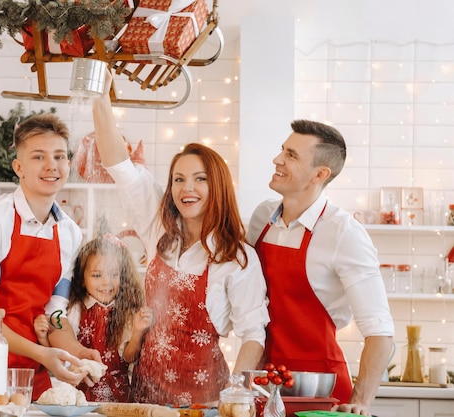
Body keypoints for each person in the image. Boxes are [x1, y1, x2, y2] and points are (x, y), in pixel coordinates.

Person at [91, 73, 270, 405]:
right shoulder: (158, 230)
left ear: (217, 187)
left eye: (200, 179)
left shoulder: (236, 257)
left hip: (206, 401)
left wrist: (237, 394)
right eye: (179, 179)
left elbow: (251, 335)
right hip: (144, 397)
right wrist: (100, 98)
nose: (187, 188)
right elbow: (119, 165)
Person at [246, 119, 395, 415]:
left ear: (320, 174)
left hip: (321, 394)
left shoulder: (344, 233)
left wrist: (360, 401)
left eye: (291, 155)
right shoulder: (262, 217)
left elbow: (380, 332)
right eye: (282, 150)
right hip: (265, 385)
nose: (277, 160)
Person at [0, 112, 101, 400]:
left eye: (59, 156)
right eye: (38, 157)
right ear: (18, 166)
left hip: (31, 372)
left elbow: (54, 313)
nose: (51, 166)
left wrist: (75, 350)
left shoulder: (70, 233)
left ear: (68, 164)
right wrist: (43, 353)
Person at [35, 234, 153, 402]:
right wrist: (43, 338)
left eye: (114, 274)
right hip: (80, 394)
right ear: (82, 279)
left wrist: (137, 332)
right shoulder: (75, 309)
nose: (107, 282)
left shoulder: (127, 312)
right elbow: (61, 358)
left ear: (123, 276)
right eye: (97, 275)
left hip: (118, 396)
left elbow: (129, 357)